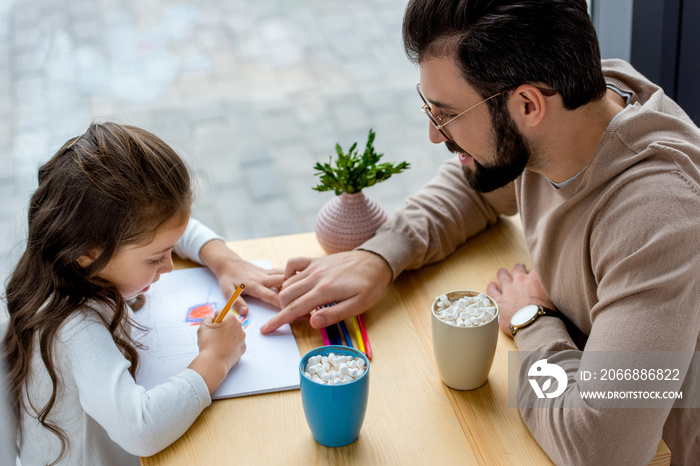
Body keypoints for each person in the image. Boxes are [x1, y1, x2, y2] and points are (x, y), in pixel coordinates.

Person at [261, 0, 700, 464]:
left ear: (528, 105)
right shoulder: (577, 103)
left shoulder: (659, 218)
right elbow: (477, 182)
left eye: (446, 114)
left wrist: (531, 319)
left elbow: (600, 447)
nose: (434, 134)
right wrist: (381, 257)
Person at [1, 122, 283, 465]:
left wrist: (224, 260)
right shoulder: (75, 328)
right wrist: (216, 358)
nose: (169, 267)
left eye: (168, 251)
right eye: (155, 259)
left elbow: (173, 229)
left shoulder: (64, 253)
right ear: (89, 251)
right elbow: (141, 429)